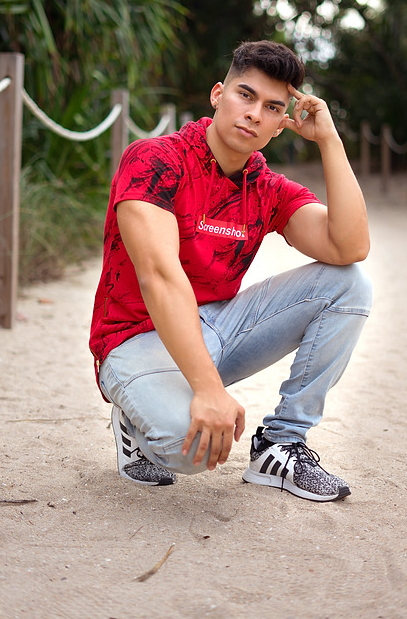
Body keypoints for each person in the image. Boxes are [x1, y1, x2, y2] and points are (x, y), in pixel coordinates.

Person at [89, 40, 372, 502]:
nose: (254, 114)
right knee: (190, 452)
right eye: (246, 95)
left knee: (347, 284)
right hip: (134, 337)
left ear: (281, 125)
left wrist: (330, 141)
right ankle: (134, 420)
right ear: (218, 95)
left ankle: (281, 444)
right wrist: (208, 391)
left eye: (272, 107)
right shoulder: (155, 160)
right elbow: (159, 277)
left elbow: (350, 246)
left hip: (216, 329)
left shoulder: (266, 187)